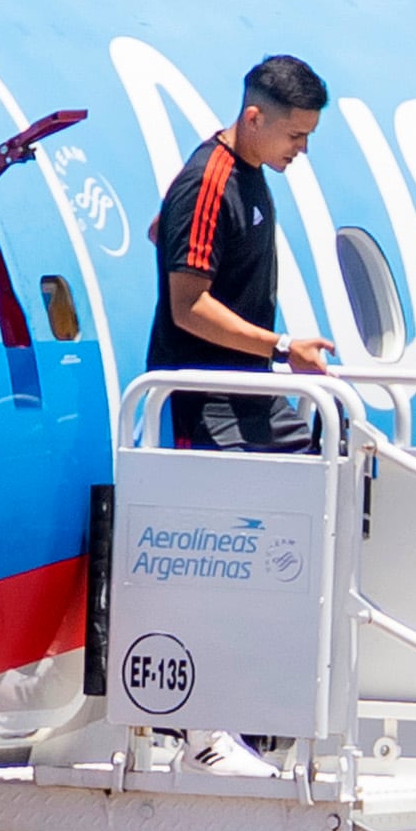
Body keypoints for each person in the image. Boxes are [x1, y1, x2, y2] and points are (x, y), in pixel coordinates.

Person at [144, 53, 337, 777]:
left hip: (253, 394)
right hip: (214, 396)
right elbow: (186, 306)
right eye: (296, 136)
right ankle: (202, 728)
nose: (303, 151)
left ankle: (260, 707)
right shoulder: (210, 182)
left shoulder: (253, 175)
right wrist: (282, 345)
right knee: (228, 548)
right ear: (254, 118)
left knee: (319, 493)